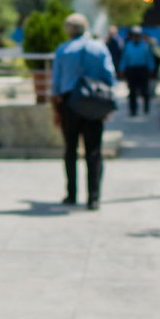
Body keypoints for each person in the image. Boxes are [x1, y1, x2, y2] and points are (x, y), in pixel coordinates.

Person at [51, 13, 116, 210]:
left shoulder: (63, 50)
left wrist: (56, 110)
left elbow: (56, 84)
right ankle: (93, 197)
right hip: (94, 103)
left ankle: (71, 194)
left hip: (70, 104)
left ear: (68, 30)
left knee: (70, 149)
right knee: (94, 151)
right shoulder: (99, 48)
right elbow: (110, 78)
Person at [118, 26, 155, 116]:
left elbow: (149, 58)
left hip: (142, 69)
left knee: (144, 90)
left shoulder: (145, 46)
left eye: (137, 35)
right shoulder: (128, 46)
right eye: (134, 35)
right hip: (132, 70)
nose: (136, 37)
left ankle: (146, 107)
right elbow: (124, 59)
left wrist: (151, 68)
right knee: (132, 91)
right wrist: (121, 69)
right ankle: (133, 110)